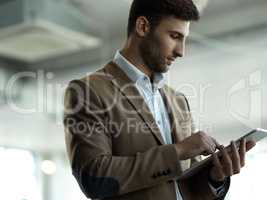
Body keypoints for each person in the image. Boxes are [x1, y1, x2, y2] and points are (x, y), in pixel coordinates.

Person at [63, 0, 256, 199]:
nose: (181, 51)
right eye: (174, 36)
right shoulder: (89, 90)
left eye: (184, 39)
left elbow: (185, 186)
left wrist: (215, 176)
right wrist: (178, 151)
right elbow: (95, 179)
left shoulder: (178, 100)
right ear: (143, 26)